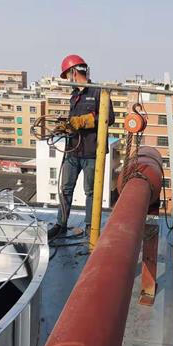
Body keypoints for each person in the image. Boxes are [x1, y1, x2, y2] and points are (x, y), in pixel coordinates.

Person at [48, 55, 115, 239]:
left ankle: (89, 228)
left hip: (92, 151)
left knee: (91, 191)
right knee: (66, 189)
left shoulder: (98, 92)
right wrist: (66, 125)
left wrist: (82, 121)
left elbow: (109, 116)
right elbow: (74, 122)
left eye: (67, 75)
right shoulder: (74, 95)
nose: (68, 80)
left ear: (73, 72)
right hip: (73, 150)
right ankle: (61, 225)